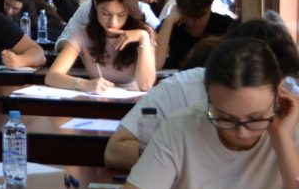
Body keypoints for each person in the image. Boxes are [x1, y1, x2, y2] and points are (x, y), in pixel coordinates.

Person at [108, 37, 299, 189]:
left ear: (278, 95)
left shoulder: (291, 128)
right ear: (208, 99)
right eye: (225, 118)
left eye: (256, 118)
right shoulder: (180, 129)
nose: (242, 133)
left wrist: (282, 140)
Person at [105, 14, 299, 170]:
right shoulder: (180, 89)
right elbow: (115, 151)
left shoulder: (290, 100)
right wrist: (186, 158)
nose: (242, 132)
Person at [45, 0, 155, 92]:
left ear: (129, 12)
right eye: (106, 13)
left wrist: (143, 37)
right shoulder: (82, 34)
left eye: (121, 15)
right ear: (96, 5)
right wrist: (85, 84)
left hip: (134, 101)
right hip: (98, 100)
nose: (113, 22)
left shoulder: (143, 35)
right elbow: (51, 77)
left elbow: (145, 85)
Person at [155, 0, 235, 70]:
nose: (197, 22)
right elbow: (155, 64)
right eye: (191, 16)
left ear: (210, 5)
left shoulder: (226, 26)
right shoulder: (171, 26)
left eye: (202, 16)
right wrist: (169, 20)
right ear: (180, 9)